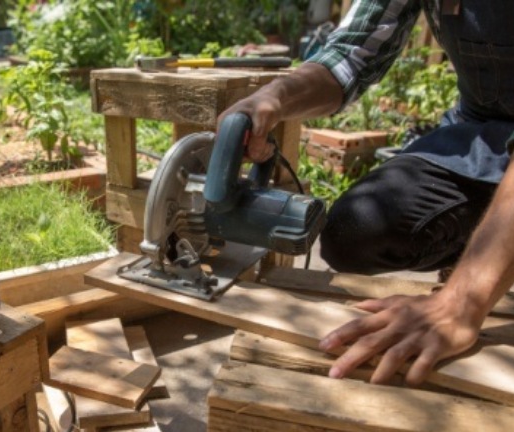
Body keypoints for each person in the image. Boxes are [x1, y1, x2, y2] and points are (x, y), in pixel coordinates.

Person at [220, 1, 514, 387]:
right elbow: (352, 54)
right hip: (483, 133)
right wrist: (276, 96)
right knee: (356, 228)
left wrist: (462, 301)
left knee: (471, 289)